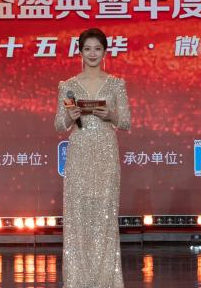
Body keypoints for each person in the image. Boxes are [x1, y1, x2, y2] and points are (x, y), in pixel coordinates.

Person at [55, 28, 131, 288]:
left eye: (97, 48)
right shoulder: (68, 86)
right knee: (78, 216)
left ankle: (106, 281)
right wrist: (70, 116)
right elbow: (59, 124)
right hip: (79, 152)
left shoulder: (116, 84)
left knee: (105, 217)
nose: (92, 53)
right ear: (80, 52)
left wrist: (110, 115)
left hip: (106, 151)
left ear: (105, 52)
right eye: (87, 48)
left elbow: (126, 122)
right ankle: (78, 281)